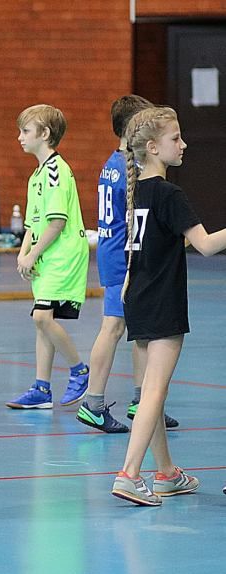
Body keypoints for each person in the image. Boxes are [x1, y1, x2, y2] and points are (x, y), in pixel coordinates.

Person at [110, 107, 226, 505]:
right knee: (155, 391)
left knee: (150, 392)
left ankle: (166, 473)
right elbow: (206, 245)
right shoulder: (169, 193)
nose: (184, 144)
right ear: (153, 147)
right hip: (162, 301)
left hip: (138, 298)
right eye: (176, 138)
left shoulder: (136, 191)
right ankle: (129, 474)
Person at [77, 95, 180, 433]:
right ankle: (93, 403)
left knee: (142, 332)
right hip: (124, 256)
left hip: (116, 250)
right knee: (113, 327)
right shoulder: (132, 168)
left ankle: (142, 400)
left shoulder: (113, 161)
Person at [6, 105, 91, 409]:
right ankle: (41, 388)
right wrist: (23, 253)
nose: (19, 137)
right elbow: (32, 223)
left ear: (45, 134)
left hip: (63, 254)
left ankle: (80, 371)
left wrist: (33, 254)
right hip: (45, 255)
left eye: (25, 131)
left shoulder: (56, 171)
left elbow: (57, 222)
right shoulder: (36, 175)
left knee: (41, 316)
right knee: (43, 320)